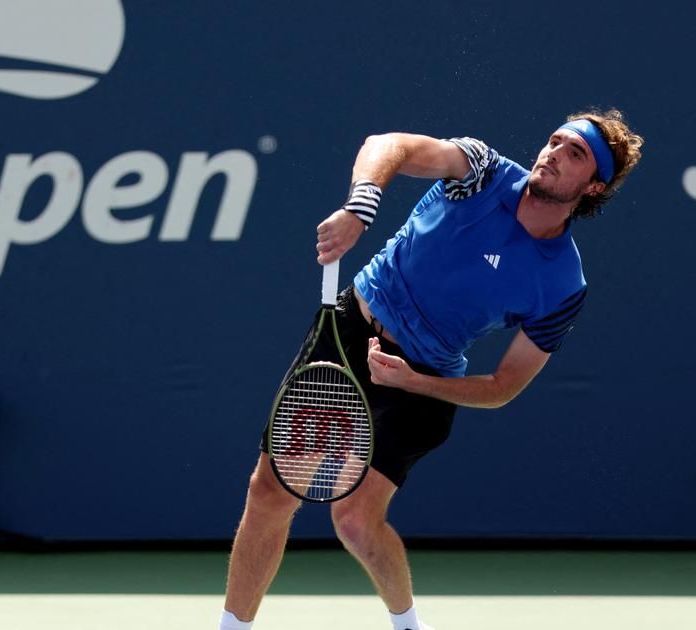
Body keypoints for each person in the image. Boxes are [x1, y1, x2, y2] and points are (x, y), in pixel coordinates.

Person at [219, 109, 644, 630]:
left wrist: (412, 381)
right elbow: (388, 144)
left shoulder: (562, 287)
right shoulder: (483, 172)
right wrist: (360, 207)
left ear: (594, 186)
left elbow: (503, 386)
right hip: (353, 329)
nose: (553, 153)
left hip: (426, 379)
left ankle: (407, 625)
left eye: (574, 153)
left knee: (354, 522)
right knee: (270, 490)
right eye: (554, 141)